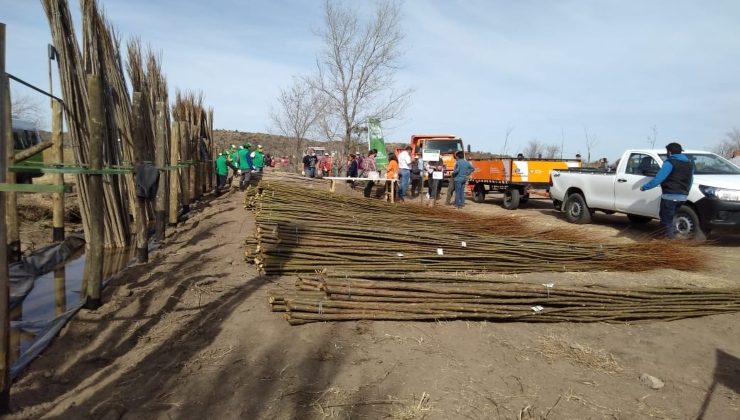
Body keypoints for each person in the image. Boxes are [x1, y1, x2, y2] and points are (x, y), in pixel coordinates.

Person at [639, 142, 694, 239]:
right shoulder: (689, 164)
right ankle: (662, 238)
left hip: (669, 196)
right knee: (669, 218)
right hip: (683, 197)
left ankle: (670, 244)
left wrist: (645, 187)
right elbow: (691, 180)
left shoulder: (669, 162)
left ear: (669, 152)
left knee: (666, 221)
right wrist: (686, 191)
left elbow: (658, 179)